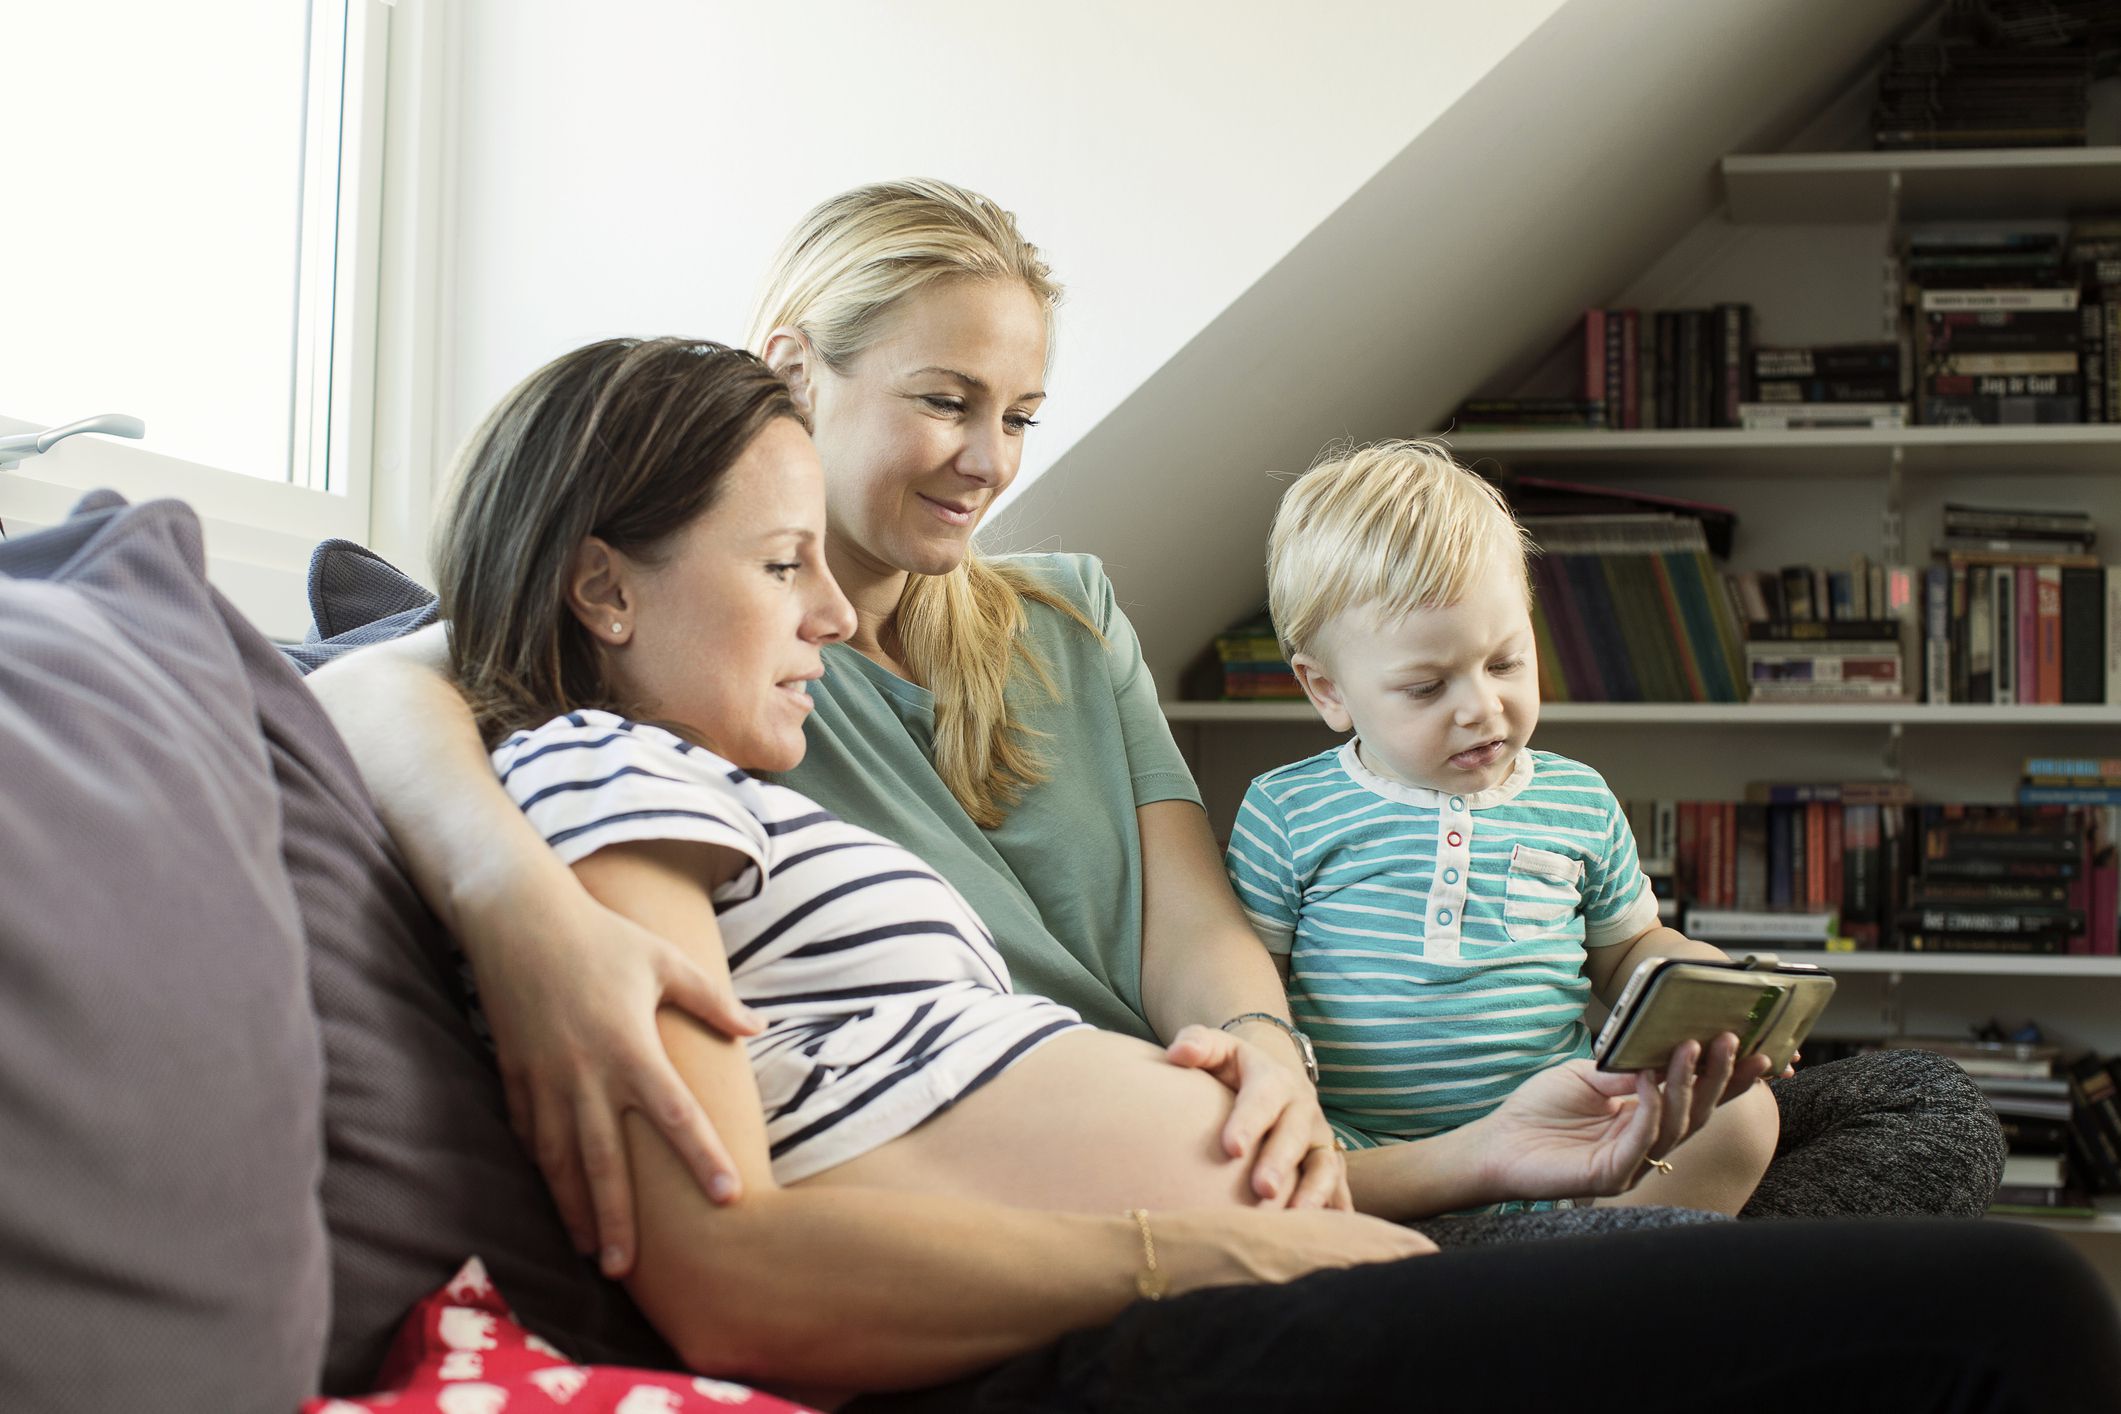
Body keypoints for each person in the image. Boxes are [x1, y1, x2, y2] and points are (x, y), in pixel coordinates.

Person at [385, 330, 2120, 1412]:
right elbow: (730, 1276)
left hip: (1301, 1251)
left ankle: (1593, 1234)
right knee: (2014, 1307)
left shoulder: (716, 764)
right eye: (781, 565)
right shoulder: (594, 775)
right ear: (605, 589)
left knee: (1918, 1131)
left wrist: (1397, 1164)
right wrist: (1194, 1254)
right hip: (1165, 1327)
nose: (832, 613)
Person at [309, 179, 2001, 1277]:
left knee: (1916, 1105)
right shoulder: (707, 650)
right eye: (946, 402)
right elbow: (370, 670)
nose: (988, 456)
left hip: (1258, 1124)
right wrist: (514, 904)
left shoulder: (1066, 613)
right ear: (793, 367)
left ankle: (1563, 1246)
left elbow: (1201, 930)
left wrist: (1264, 1044)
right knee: (1938, 1281)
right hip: (1099, 1194)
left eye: (1022, 412)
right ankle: (1563, 1267)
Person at [1227, 439, 1778, 1216]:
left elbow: (1626, 948)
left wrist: (1697, 982)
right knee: (1226, 1153)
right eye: (1425, 686)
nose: (1480, 706)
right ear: (1328, 691)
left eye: (1506, 662)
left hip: (1566, 1140)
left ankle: (1593, 1262)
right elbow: (1250, 988)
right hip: (1361, 1153)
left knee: (1743, 1117)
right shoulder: (1288, 811)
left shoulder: (1577, 798)